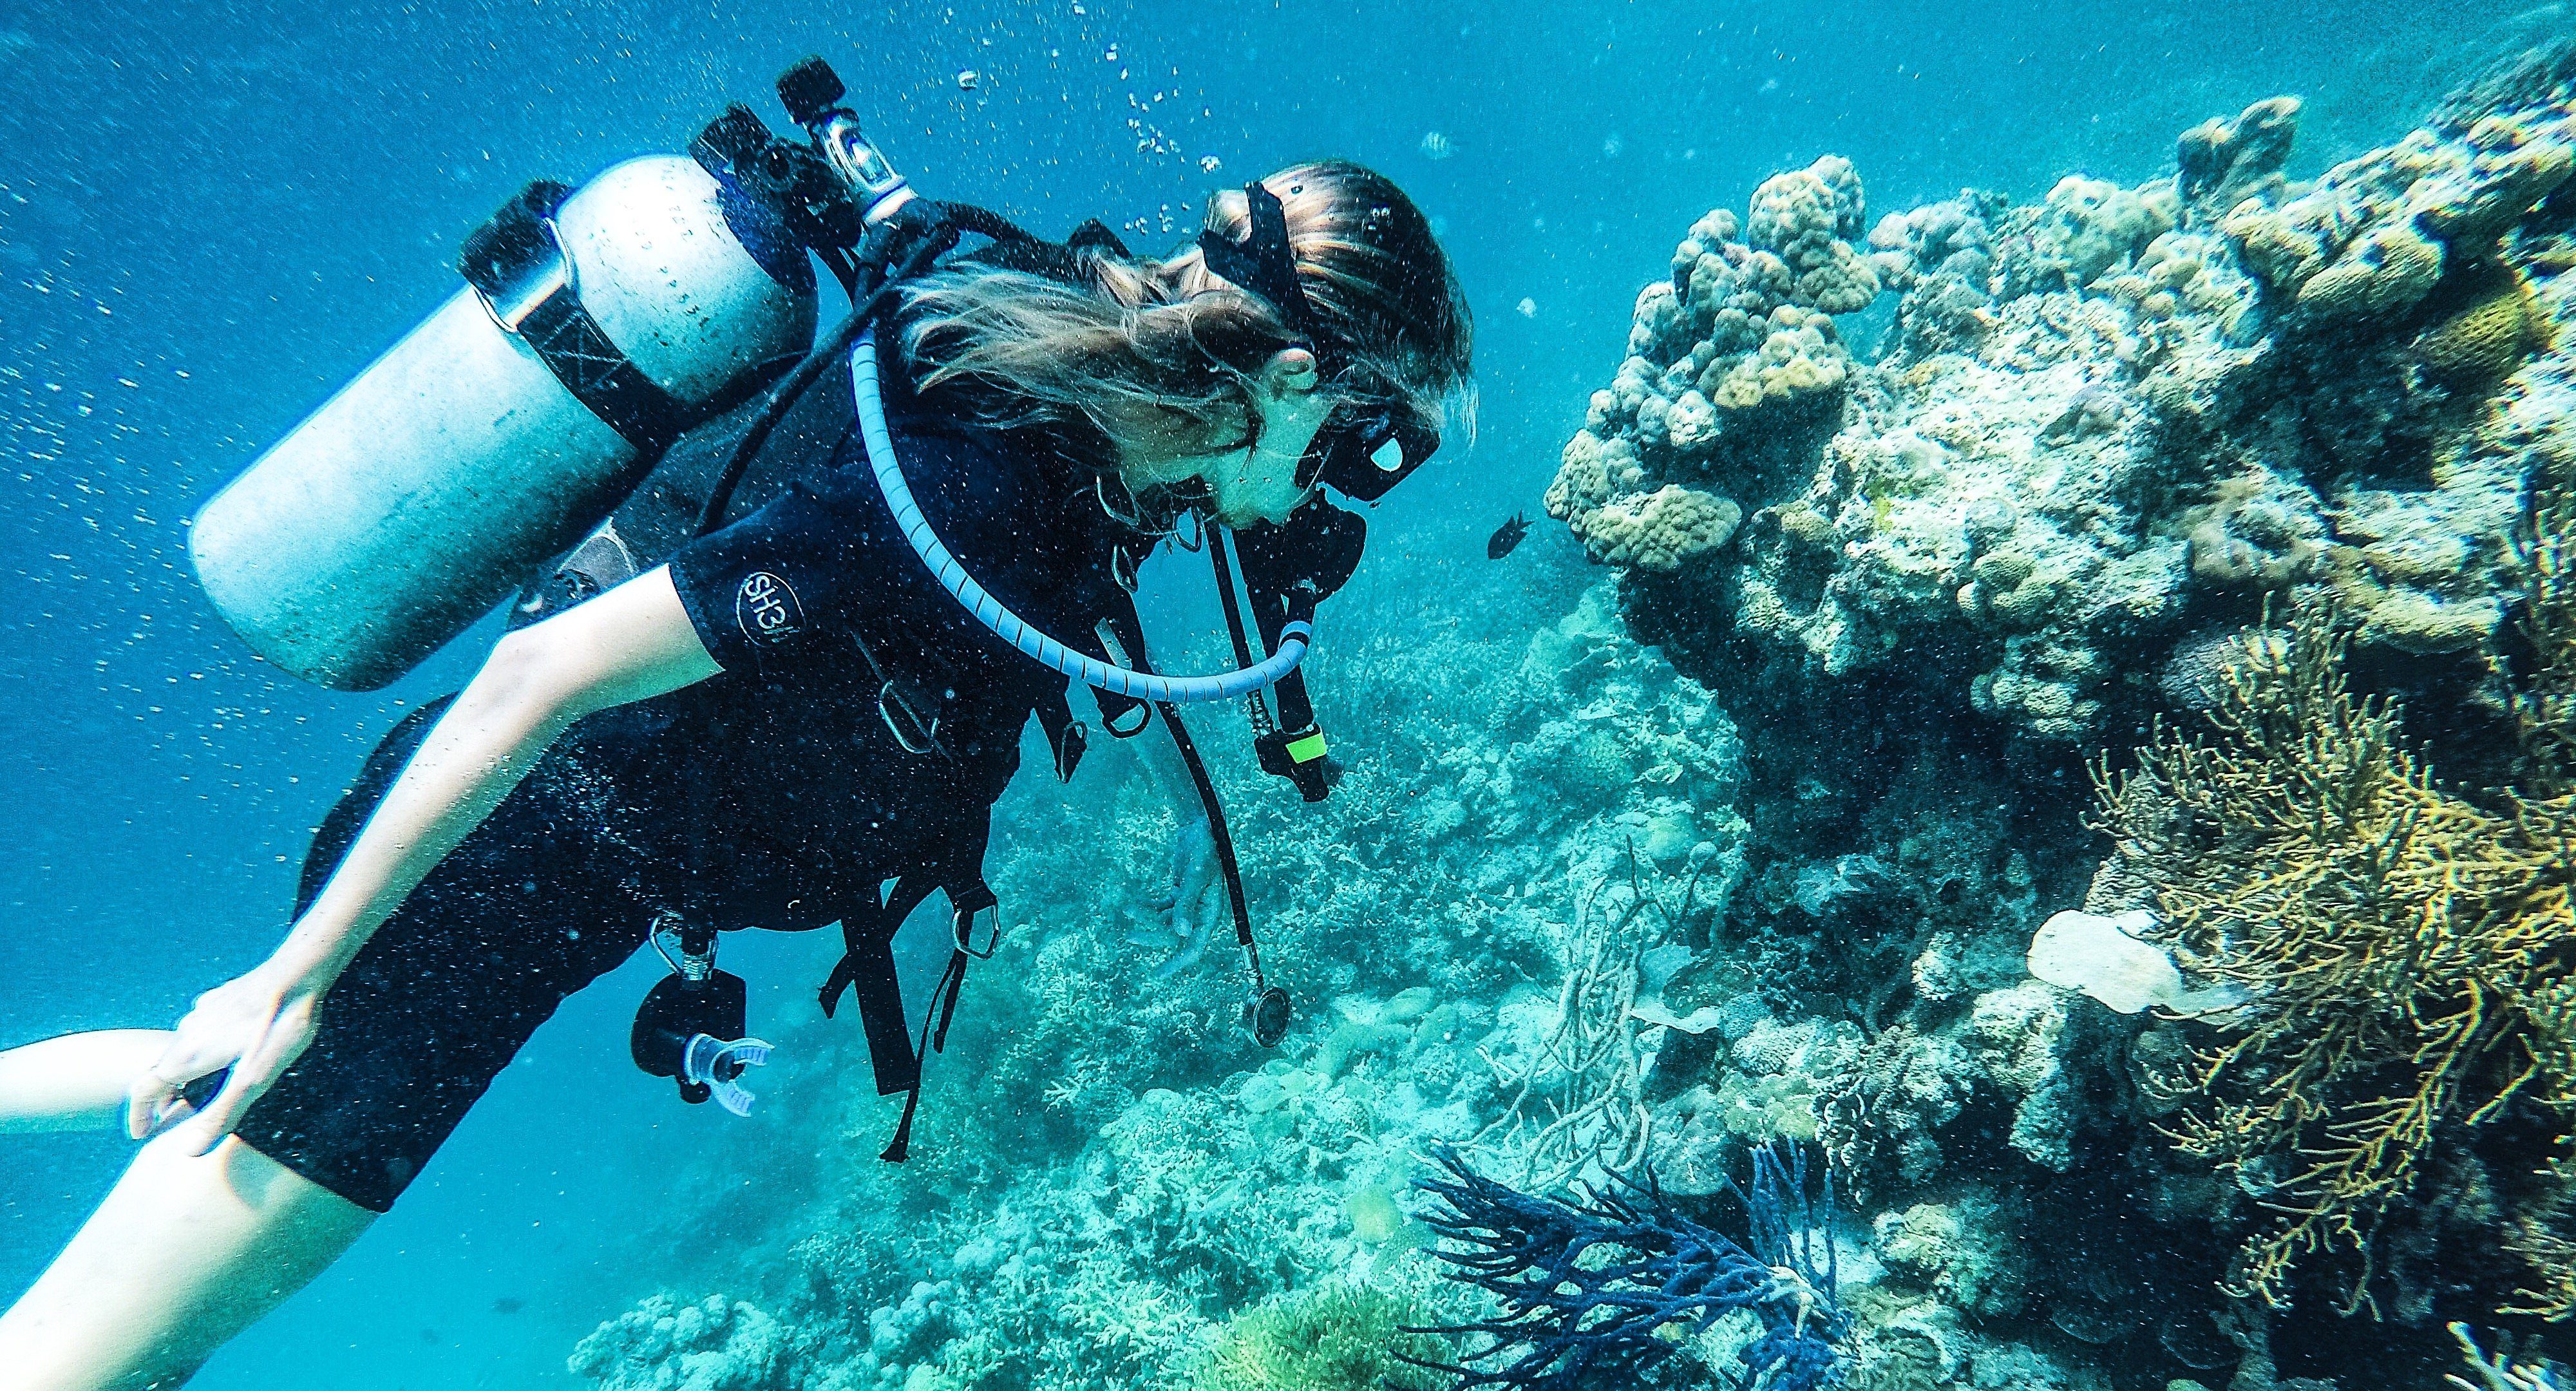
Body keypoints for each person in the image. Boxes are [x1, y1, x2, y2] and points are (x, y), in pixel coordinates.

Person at [0, 159, 1471, 1388]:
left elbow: (1166, 561)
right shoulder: (967, 484)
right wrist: (302, 974)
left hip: (579, 881)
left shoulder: (1104, 390)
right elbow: (539, 676)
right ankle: (267, 1014)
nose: (1335, 503)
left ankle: (249, 1026)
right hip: (491, 874)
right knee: (89, 1356)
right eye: (1355, 450)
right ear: (1284, 380)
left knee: (194, 1107)